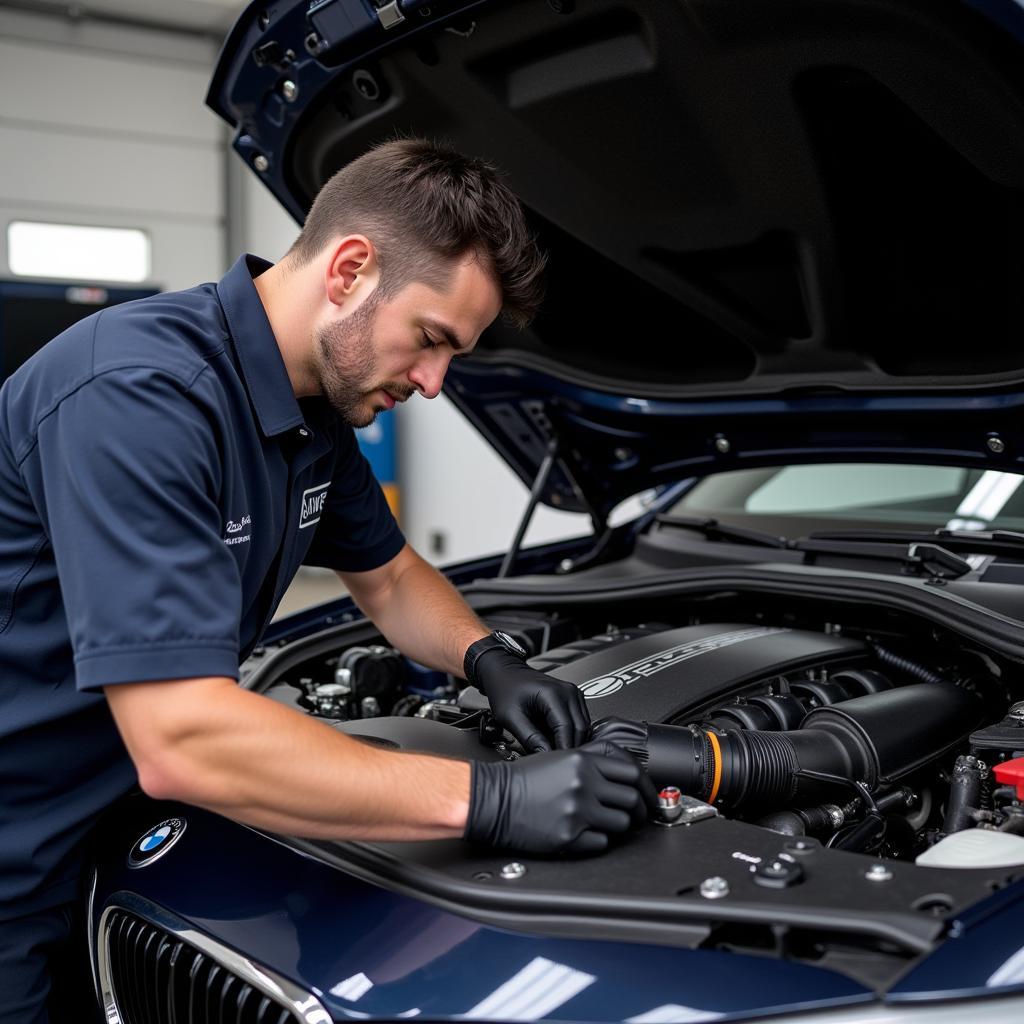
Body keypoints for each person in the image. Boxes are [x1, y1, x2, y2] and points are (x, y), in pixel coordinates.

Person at [0, 139, 652, 1023]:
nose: (432, 383)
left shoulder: (312, 412)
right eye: (430, 341)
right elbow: (179, 736)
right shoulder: (138, 395)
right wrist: (490, 799)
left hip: (109, 829)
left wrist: (490, 660)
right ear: (350, 268)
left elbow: (389, 577)